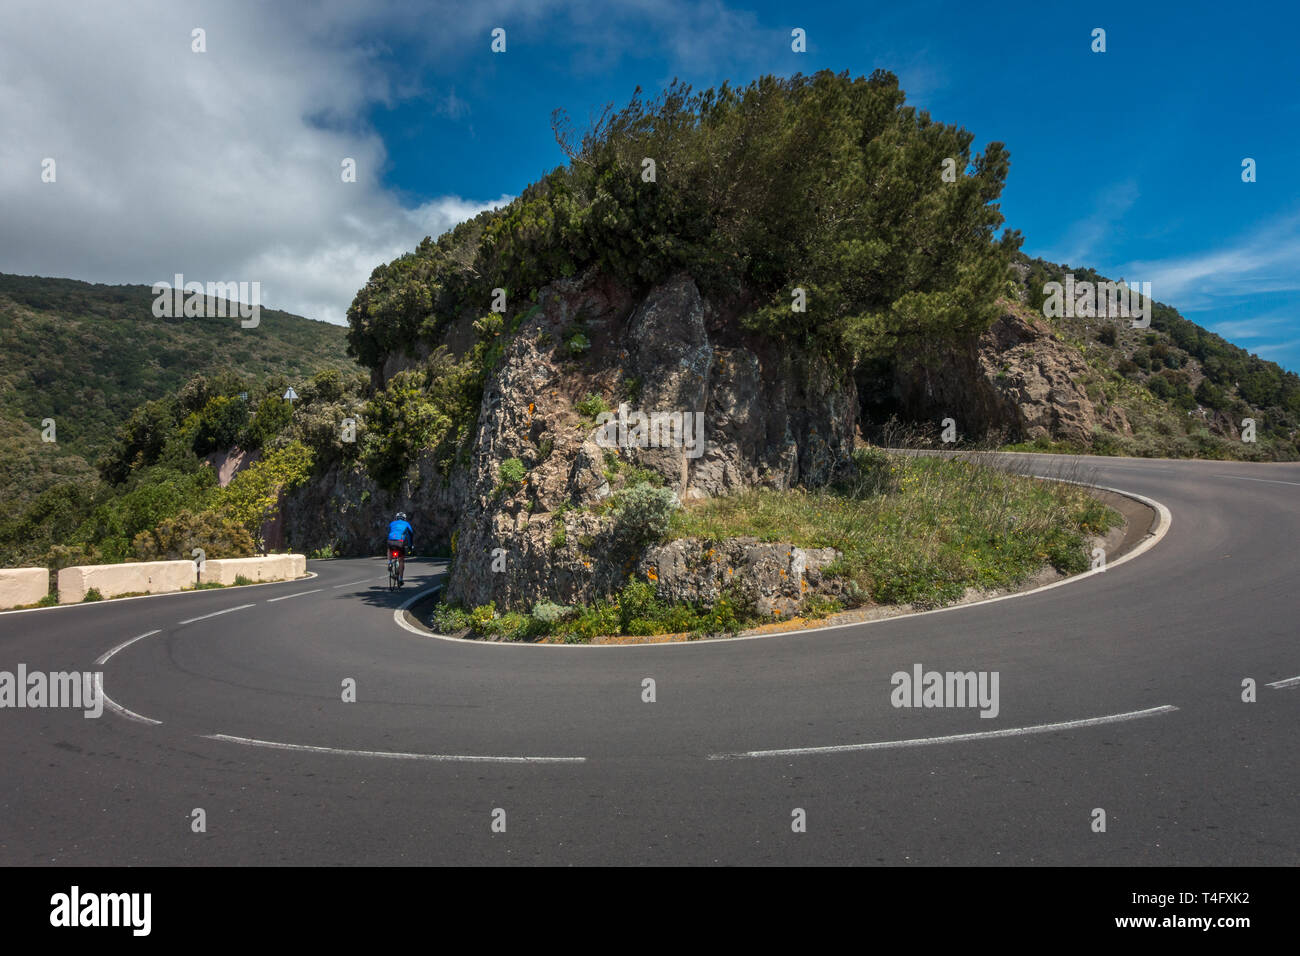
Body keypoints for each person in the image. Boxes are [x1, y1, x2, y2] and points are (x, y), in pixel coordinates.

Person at [386, 512, 414, 585]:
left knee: (389, 549)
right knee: (401, 561)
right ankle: (400, 579)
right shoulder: (406, 524)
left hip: (391, 541)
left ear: (396, 518)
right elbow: (410, 535)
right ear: (404, 519)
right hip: (400, 542)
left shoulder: (392, 523)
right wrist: (410, 546)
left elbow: (388, 531)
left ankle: (389, 563)